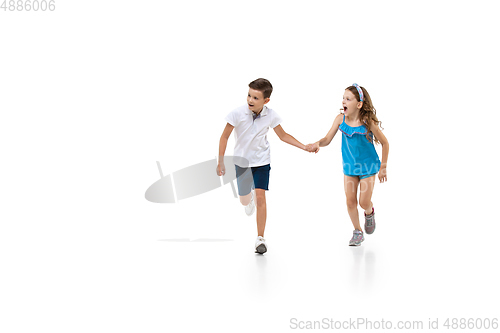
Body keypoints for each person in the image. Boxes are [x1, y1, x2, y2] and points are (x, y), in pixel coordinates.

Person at [217, 78, 310, 254]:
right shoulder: (237, 113)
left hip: (261, 162)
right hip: (242, 163)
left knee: (261, 198)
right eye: (249, 95)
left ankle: (260, 239)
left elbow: (283, 136)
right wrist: (220, 161)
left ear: (266, 101)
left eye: (255, 98)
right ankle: (248, 198)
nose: (250, 100)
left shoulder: (271, 115)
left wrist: (304, 146)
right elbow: (224, 137)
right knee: (245, 200)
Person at [306, 84, 389, 246]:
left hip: (368, 167)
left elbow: (385, 143)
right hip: (350, 168)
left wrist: (383, 168)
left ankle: (369, 212)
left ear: (359, 104)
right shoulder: (340, 119)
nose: (343, 101)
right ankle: (357, 231)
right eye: (343, 98)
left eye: (348, 99)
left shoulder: (368, 122)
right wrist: (317, 143)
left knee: (363, 202)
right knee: (350, 201)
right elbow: (327, 139)